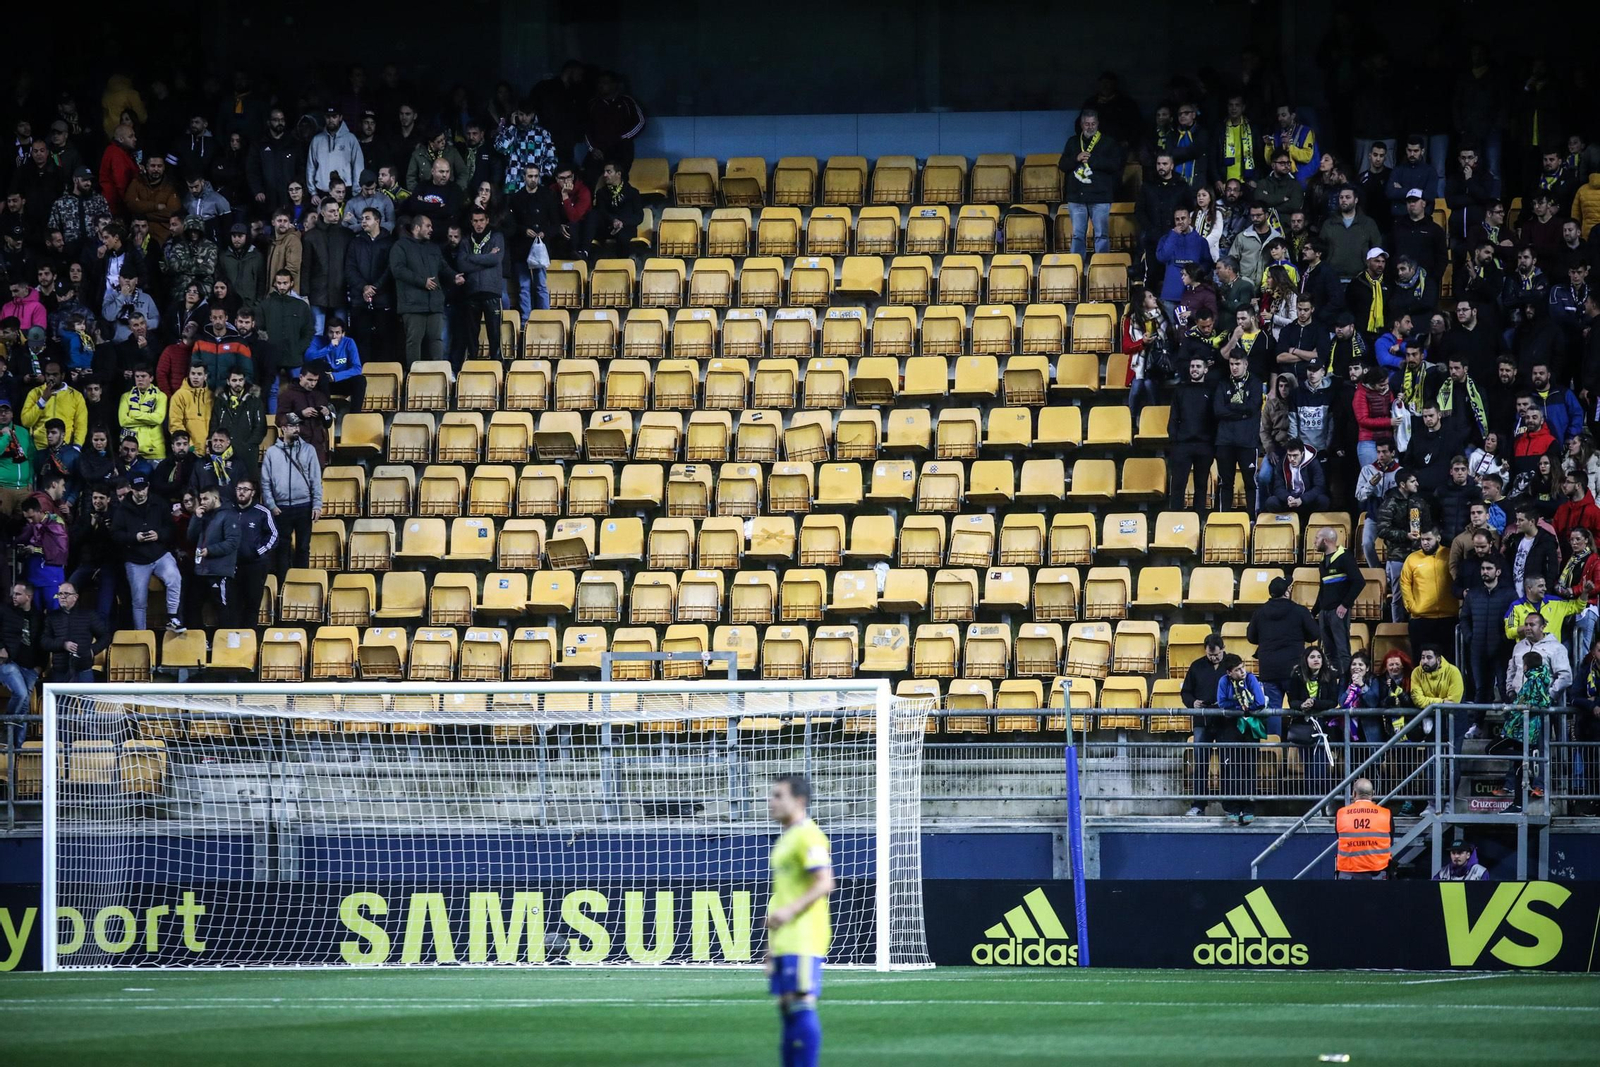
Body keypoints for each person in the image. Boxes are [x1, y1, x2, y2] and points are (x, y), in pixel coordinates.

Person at [765, 773, 833, 1067]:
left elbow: (824, 882)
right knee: (786, 1006)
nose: (771, 802)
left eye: (779, 796)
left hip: (804, 935)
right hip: (785, 939)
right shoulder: (787, 837)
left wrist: (790, 912)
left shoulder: (808, 835)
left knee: (801, 1003)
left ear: (799, 800)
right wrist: (772, 947)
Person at [112, 472, 184, 632]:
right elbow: (115, 534)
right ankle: (141, 635)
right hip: (135, 560)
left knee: (174, 578)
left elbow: (171, 528)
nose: (141, 492)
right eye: (137, 489)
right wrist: (134, 537)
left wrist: (159, 534)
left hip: (159, 554)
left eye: (143, 488)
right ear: (131, 488)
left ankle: (172, 617)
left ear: (148, 487)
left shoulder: (159, 502)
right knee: (139, 602)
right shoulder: (122, 509)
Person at [260, 412, 322, 577]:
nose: (296, 429)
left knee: (303, 548)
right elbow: (265, 482)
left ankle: (301, 583)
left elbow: (316, 479)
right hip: (281, 508)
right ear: (283, 428)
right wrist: (271, 505)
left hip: (304, 505)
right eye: (292, 426)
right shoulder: (272, 452)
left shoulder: (309, 450)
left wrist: (317, 504)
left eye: (297, 426)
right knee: (282, 548)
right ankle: (283, 585)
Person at [390, 214, 449, 366]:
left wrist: (455, 277)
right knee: (414, 341)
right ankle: (414, 376)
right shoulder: (400, 246)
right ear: (417, 228)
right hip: (412, 304)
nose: (431, 229)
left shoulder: (433, 247)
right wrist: (422, 282)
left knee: (436, 340)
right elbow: (398, 270)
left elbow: (443, 267)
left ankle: (439, 374)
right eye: (428, 226)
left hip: (434, 303)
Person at [1215, 653, 1267, 826]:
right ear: (1229, 672)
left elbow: (1259, 702)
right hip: (1229, 729)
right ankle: (1232, 807)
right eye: (1237, 670)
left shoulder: (1251, 678)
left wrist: (1245, 708)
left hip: (1249, 730)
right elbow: (1222, 702)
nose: (1242, 671)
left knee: (1248, 767)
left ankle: (1248, 807)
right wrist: (1240, 707)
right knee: (1231, 768)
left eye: (1242, 667)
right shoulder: (1223, 681)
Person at [1182, 634, 1229, 816]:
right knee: (1200, 763)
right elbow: (1186, 692)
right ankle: (1199, 805)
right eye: (1210, 655)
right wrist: (1192, 702)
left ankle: (1229, 806)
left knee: (1227, 763)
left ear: (1223, 649)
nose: (1214, 658)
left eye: (1216, 655)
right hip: (1202, 720)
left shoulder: (1230, 665)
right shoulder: (1196, 666)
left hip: (1226, 722)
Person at [1311, 526, 1365, 677]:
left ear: (1326, 540)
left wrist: (1345, 604)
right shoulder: (1323, 561)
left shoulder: (1345, 557)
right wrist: (1315, 611)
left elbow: (1359, 582)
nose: (1314, 542)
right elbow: (1323, 588)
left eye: (1317, 538)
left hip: (1338, 611)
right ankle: (1334, 682)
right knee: (1328, 651)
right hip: (1324, 611)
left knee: (1342, 650)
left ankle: (1347, 682)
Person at [1212, 352, 1261, 517]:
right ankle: (1223, 518)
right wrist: (1242, 413)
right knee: (1225, 483)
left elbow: (1253, 407)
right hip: (1225, 442)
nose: (1234, 367)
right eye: (1232, 364)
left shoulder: (1255, 383)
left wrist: (1231, 408)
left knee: (1250, 483)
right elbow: (1218, 410)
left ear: (1245, 364)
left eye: (1237, 364)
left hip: (1247, 441)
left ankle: (1252, 519)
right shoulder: (1223, 383)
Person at [455, 207, 505, 365]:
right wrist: (486, 258)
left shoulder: (497, 237)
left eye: (481, 220)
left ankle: (496, 365)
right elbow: (461, 264)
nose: (479, 224)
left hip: (491, 291)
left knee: (494, 334)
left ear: (487, 220)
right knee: (471, 334)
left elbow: (495, 260)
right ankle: (472, 364)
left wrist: (472, 258)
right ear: (471, 222)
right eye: (475, 221)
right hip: (472, 292)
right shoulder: (465, 240)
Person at [1401, 529, 1461, 654]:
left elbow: (1459, 579)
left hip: (1448, 617)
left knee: (1448, 660)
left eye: (1428, 539)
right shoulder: (1412, 559)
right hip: (1421, 619)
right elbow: (1405, 583)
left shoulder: (1450, 555)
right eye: (1422, 540)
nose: (1425, 543)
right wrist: (1411, 607)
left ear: (1438, 538)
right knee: (1421, 661)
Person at [188, 486, 239, 629]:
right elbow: (190, 537)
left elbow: (232, 542)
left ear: (215, 498)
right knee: (193, 606)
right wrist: (196, 518)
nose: (202, 502)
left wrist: (210, 551)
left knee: (222, 608)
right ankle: (202, 640)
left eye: (205, 499)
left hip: (219, 572)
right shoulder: (202, 515)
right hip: (201, 571)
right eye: (201, 499)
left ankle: (224, 644)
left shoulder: (229, 515)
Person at [230, 478, 277, 628]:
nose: (241, 492)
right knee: (233, 605)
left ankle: (249, 639)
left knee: (252, 604)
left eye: (246, 489)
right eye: (239, 489)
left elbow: (274, 535)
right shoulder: (228, 509)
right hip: (231, 566)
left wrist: (258, 551)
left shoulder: (262, 512)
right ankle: (233, 642)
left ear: (253, 492)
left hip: (255, 566)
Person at [40, 582, 107, 683]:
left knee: (87, 699)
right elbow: (44, 641)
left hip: (84, 668)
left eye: (66, 594)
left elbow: (105, 636)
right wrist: (63, 644)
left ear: (75, 597)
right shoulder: (52, 617)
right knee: (61, 700)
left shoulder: (88, 615)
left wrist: (92, 651)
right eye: (60, 594)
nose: (62, 597)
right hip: (60, 670)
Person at [14, 495, 68, 610]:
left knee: (54, 612)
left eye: (32, 517)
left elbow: (61, 549)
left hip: (51, 576)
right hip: (33, 576)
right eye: (27, 518)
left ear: (39, 511)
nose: (30, 521)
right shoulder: (31, 526)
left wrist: (36, 550)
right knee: (35, 613)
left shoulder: (55, 523)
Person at [0, 581, 40, 734]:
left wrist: (39, 666)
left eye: (18, 594)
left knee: (24, 706)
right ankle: (6, 725)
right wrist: (1, 648)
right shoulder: (5, 610)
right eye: (13, 593)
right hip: (8, 663)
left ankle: (16, 749)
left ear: (28, 596)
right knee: (21, 694)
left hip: (30, 667)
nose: (14, 597)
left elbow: (41, 642)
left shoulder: (37, 615)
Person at [1333, 777, 1391, 879]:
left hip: (1348, 873)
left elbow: (1339, 837)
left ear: (1354, 794)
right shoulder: (1386, 814)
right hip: (1378, 872)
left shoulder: (1341, 813)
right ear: (1373, 794)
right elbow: (1390, 840)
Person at [305, 318, 364, 413]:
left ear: (343, 333)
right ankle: (327, 408)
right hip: (322, 384)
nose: (334, 336)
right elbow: (308, 358)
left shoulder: (349, 342)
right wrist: (329, 347)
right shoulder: (317, 340)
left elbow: (357, 369)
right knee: (318, 364)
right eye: (331, 332)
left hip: (341, 381)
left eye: (337, 333)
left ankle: (354, 415)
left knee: (361, 380)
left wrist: (336, 376)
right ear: (326, 332)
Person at [1260, 438, 1330, 515]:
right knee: (1271, 502)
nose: (1291, 459)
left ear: (1302, 453)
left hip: (1307, 501)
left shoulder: (1313, 462)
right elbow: (1278, 487)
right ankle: (1285, 523)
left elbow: (1319, 487)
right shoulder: (1283, 463)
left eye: (1295, 455)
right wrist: (1287, 497)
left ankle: (1309, 523)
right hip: (1289, 501)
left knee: (1323, 500)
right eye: (1289, 455)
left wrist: (1302, 499)